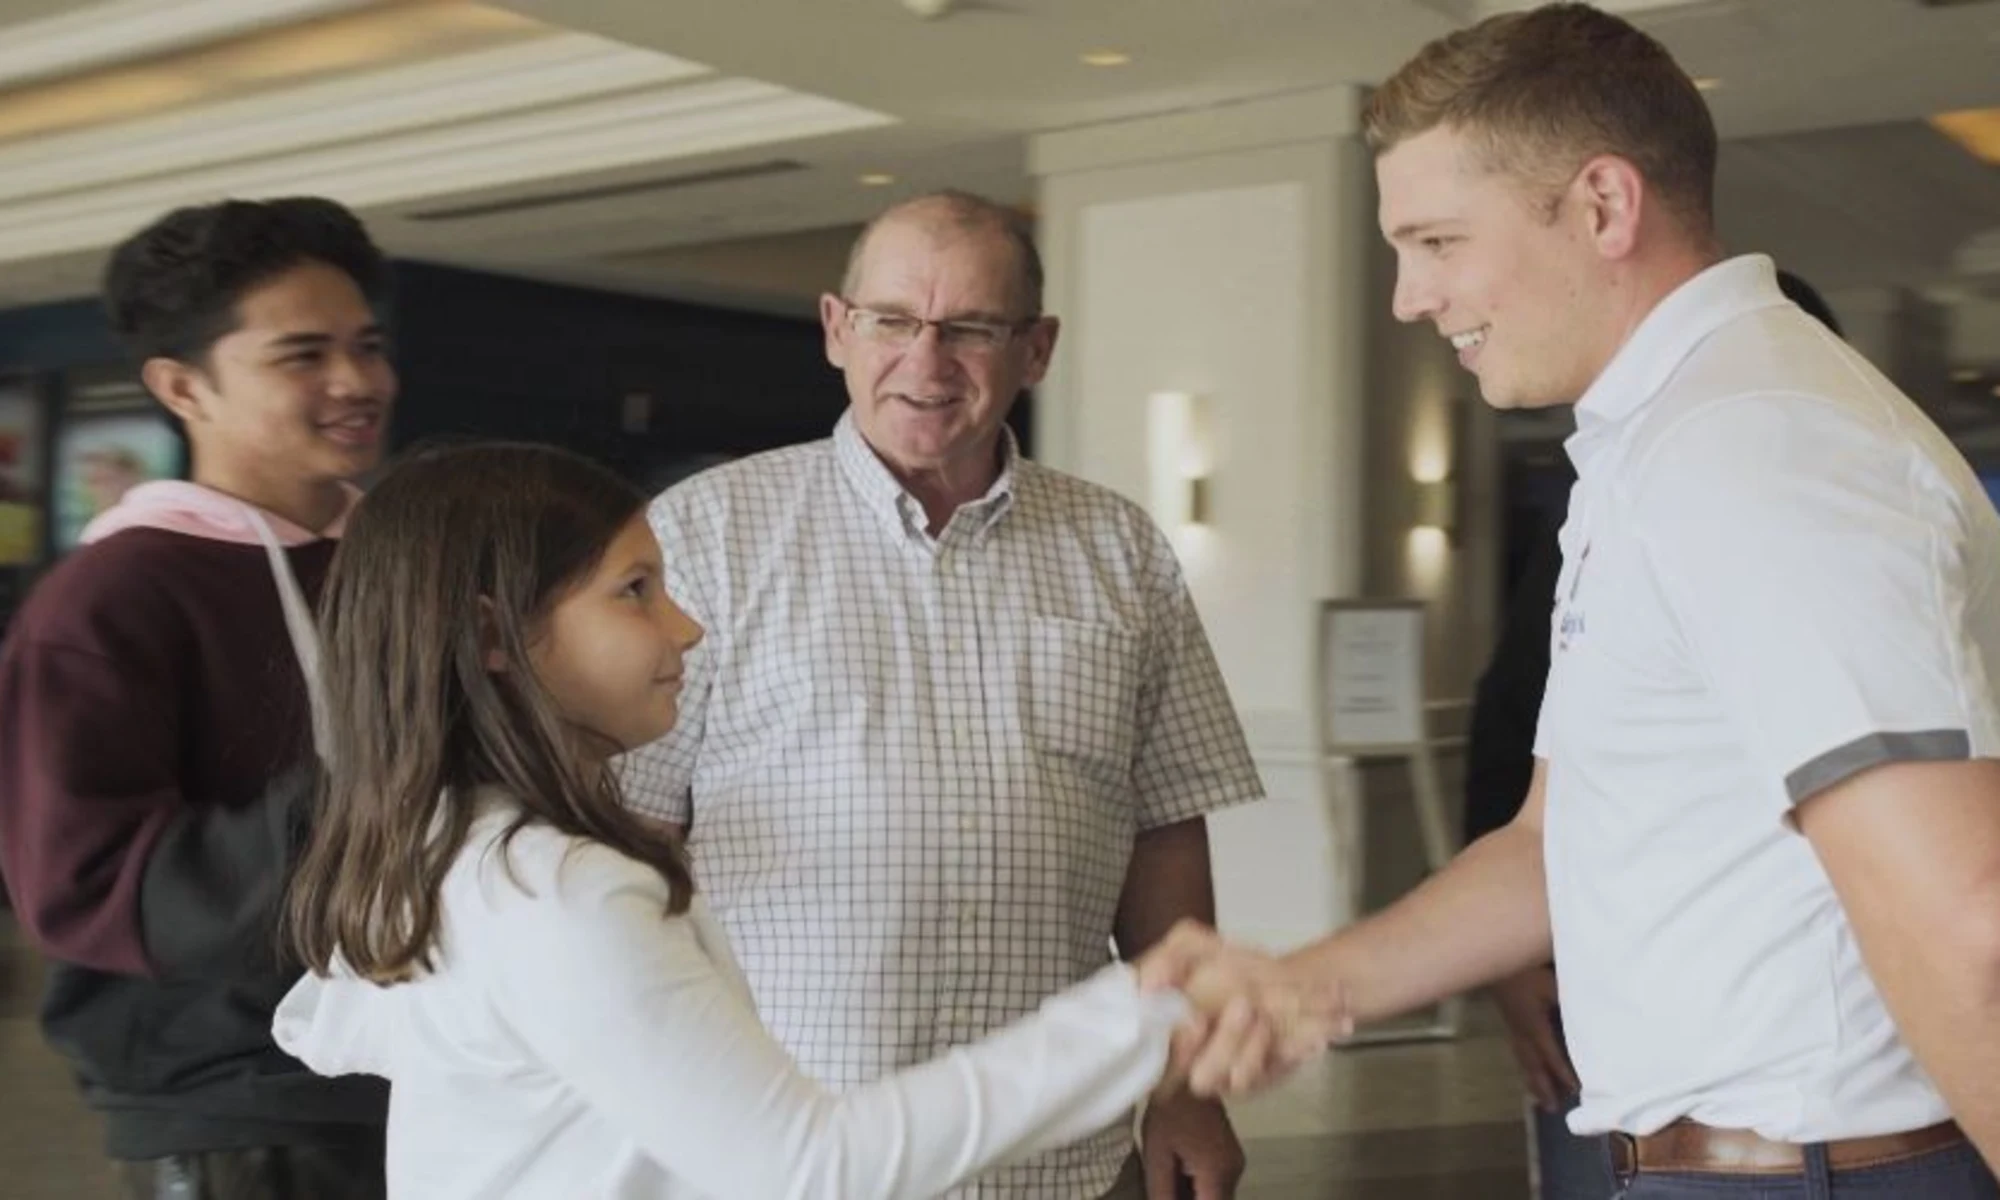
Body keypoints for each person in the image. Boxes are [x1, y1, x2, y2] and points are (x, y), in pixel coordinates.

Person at [1149, 6, 2000, 1197]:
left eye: (1437, 240)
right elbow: (1557, 842)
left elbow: (1964, 918)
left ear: (1602, 205)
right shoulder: (1656, 443)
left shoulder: (1753, 447)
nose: (1407, 296)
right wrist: (1301, 985)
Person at [271, 442, 1336, 1200]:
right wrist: (1140, 1019)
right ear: (496, 637)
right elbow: (808, 1169)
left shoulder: (444, 846)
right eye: (634, 591)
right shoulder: (559, 894)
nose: (684, 626)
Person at [619, 190, 1266, 1200]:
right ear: (837, 329)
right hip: (788, 1148)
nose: (925, 363)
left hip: (1058, 1155)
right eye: (891, 321)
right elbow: (633, 837)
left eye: (970, 328)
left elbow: (1163, 827)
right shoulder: (702, 536)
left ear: (1036, 348)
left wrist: (1186, 1081)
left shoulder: (1119, 548)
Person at [0, 198, 395, 1196]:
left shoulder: (398, 559)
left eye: (367, 345)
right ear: (183, 387)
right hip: (239, 1109)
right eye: (301, 356)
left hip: (421, 1068)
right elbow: (89, 891)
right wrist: (393, 787)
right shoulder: (110, 598)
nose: (356, 382)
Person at [1469, 270, 1847, 1200]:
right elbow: (1518, 750)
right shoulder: (1607, 510)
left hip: (1807, 1100)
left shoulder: (1835, 528)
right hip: (1622, 1035)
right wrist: (1508, 958)